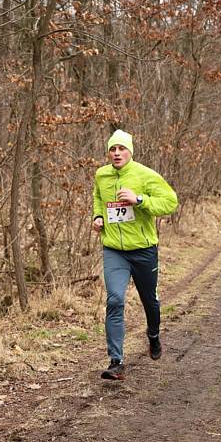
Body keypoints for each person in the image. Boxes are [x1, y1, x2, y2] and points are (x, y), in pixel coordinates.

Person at [92, 129, 179, 380]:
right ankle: (116, 361)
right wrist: (97, 217)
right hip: (114, 251)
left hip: (143, 250)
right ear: (108, 152)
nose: (117, 153)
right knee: (115, 300)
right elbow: (99, 199)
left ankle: (153, 335)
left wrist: (139, 199)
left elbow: (170, 201)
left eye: (121, 148)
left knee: (149, 300)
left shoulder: (144, 175)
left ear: (130, 151)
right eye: (112, 149)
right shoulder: (102, 175)